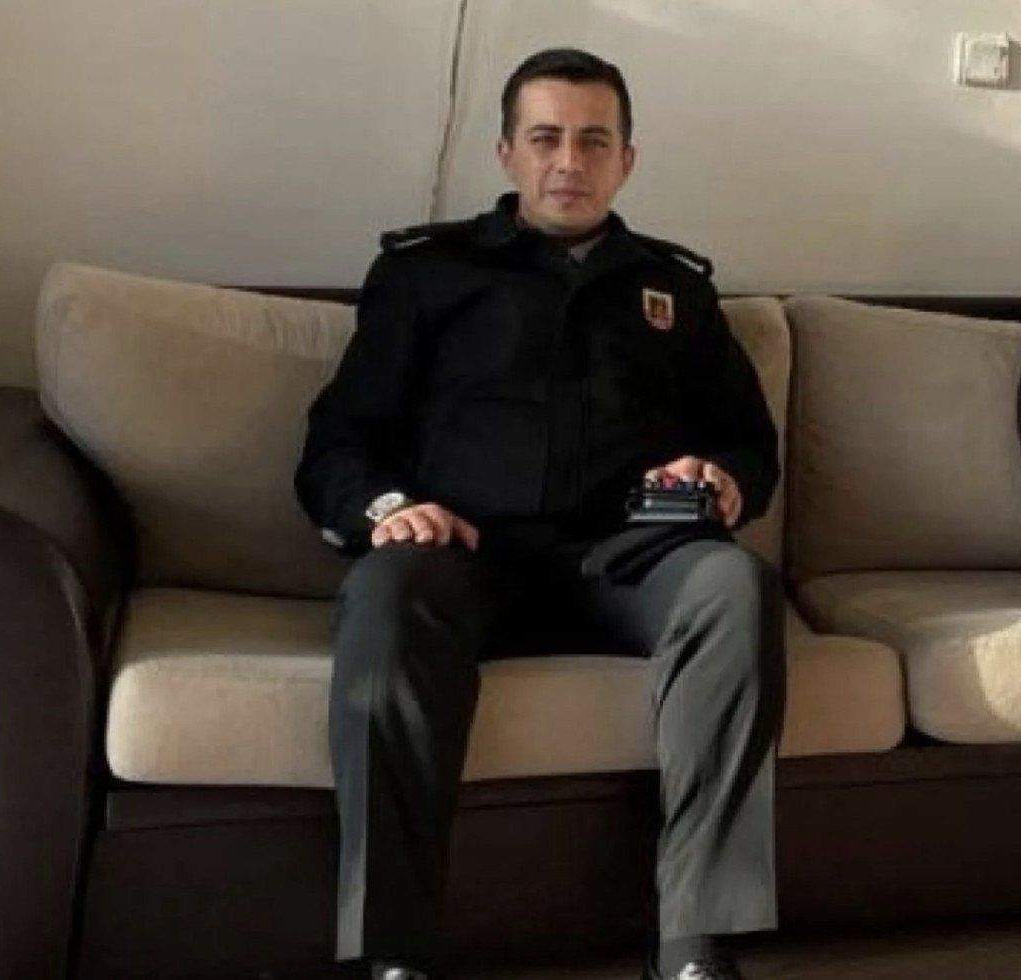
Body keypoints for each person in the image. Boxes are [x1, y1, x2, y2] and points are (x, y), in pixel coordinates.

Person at [294, 47, 786, 980]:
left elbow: (748, 445)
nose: (569, 161)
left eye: (594, 141)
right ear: (507, 153)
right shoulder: (428, 274)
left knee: (734, 586)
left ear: (626, 160)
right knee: (386, 592)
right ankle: (393, 956)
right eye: (546, 137)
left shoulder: (677, 291)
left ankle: (696, 951)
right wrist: (390, 509)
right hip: (464, 553)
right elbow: (338, 442)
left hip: (633, 556)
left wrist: (723, 479)